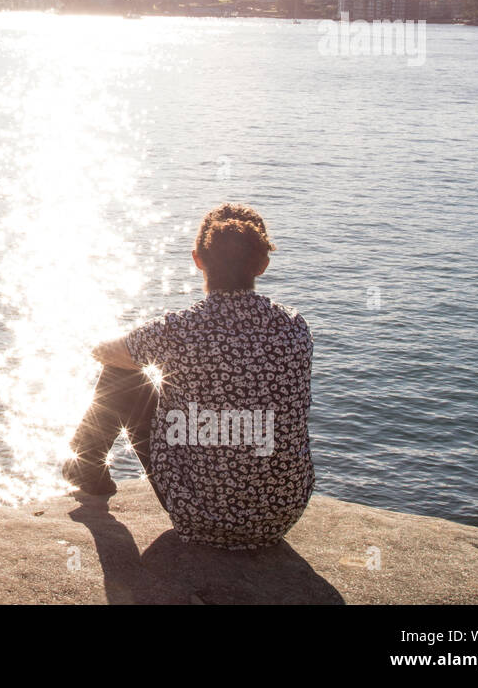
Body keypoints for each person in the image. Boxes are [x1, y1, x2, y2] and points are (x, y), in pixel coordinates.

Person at [62, 203, 314, 549]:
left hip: (198, 512)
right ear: (263, 265)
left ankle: (86, 468)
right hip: (279, 512)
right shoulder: (295, 328)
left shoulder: (179, 328)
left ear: (197, 259)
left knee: (122, 373)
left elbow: (105, 352)